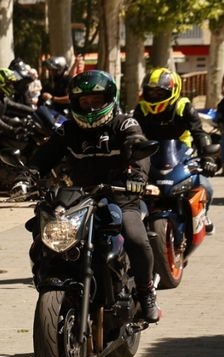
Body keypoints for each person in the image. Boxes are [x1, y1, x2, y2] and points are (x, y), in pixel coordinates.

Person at [33, 69, 161, 322]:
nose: (90, 106)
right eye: (84, 101)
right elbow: (43, 157)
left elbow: (137, 145)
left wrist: (137, 178)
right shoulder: (67, 130)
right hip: (78, 198)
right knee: (43, 231)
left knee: (136, 239)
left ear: (109, 99)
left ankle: (146, 293)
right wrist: (27, 175)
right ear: (75, 102)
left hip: (121, 196)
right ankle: (50, 278)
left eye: (96, 100)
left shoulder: (124, 124)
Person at [133, 67, 218, 232]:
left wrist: (208, 157)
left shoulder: (183, 106)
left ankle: (204, 214)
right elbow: (133, 135)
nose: (154, 95)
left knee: (205, 185)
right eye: (151, 92)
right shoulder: (141, 109)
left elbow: (199, 133)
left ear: (173, 90)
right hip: (151, 155)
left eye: (160, 92)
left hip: (182, 154)